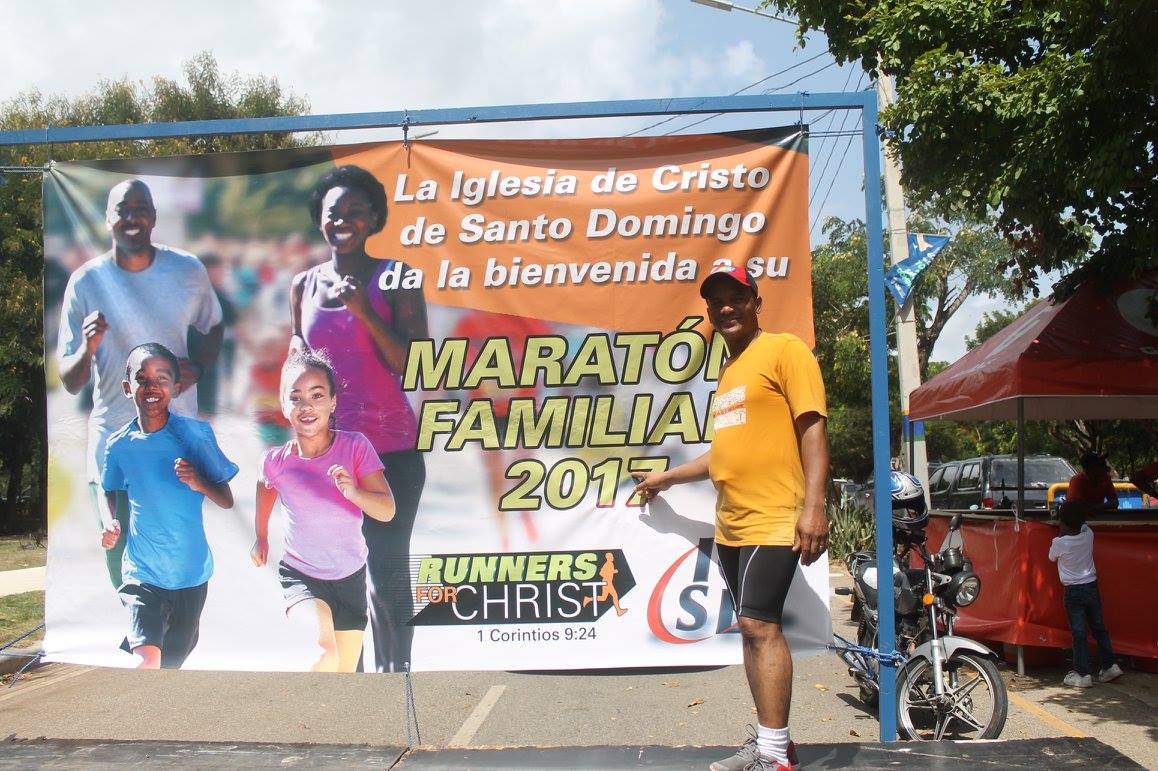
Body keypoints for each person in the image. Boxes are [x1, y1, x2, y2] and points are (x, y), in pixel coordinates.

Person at [633, 263, 828, 771]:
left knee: (759, 626)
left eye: (735, 297)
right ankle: (771, 741)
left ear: (755, 301)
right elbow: (724, 455)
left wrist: (815, 506)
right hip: (733, 523)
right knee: (749, 628)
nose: (725, 308)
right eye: (716, 301)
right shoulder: (728, 375)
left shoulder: (786, 351)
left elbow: (812, 430)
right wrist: (665, 478)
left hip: (776, 516)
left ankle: (774, 757)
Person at [290, 165, 428, 673]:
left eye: (355, 211)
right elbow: (298, 370)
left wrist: (363, 311)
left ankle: (396, 679)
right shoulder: (302, 285)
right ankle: (352, 682)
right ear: (319, 221)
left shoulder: (398, 276)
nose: (343, 220)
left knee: (387, 572)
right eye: (333, 213)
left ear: (373, 219)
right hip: (326, 456)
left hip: (391, 449)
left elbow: (413, 364)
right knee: (336, 573)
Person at [57, 179, 224, 589]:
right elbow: (70, 379)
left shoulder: (187, 269)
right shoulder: (85, 280)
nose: (131, 217)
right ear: (108, 219)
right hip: (114, 433)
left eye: (140, 207)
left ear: (153, 216)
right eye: (122, 209)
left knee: (175, 543)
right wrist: (89, 346)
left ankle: (163, 637)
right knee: (117, 538)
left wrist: (199, 367)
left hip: (176, 436)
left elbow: (214, 325)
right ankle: (139, 634)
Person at [251, 351, 396, 672]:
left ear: (333, 402)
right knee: (322, 654)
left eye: (317, 396)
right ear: (284, 405)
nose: (306, 407)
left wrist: (354, 492)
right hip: (300, 575)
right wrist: (260, 536)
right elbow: (265, 488)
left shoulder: (355, 446)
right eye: (296, 397)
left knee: (343, 679)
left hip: (350, 579)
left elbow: (386, 511)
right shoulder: (275, 461)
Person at [99, 343, 238, 669]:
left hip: (190, 574)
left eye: (161, 378)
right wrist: (109, 522)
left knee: (171, 666)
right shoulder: (119, 444)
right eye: (142, 379)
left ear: (175, 387)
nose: (151, 387)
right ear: (126, 387)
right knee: (147, 661)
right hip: (141, 572)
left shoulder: (194, 435)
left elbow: (226, 499)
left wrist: (199, 482)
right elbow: (110, 490)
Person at [1048, 500, 1123, 687]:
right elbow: (1083, 525)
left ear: (1062, 522)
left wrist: (1061, 530)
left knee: (1079, 632)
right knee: (1099, 627)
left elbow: (1051, 557)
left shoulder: (1059, 542)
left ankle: (1082, 673)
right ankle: (1109, 665)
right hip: (1091, 586)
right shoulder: (1088, 535)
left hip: (1073, 591)